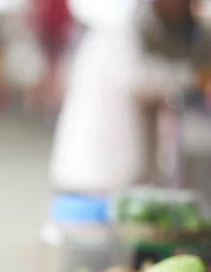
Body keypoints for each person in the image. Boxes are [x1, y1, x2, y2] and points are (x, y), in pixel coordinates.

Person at [49, 0, 211, 196]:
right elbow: (138, 78)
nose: (188, 8)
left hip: (111, 172)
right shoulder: (119, 27)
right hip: (98, 173)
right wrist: (196, 76)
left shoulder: (142, 26)